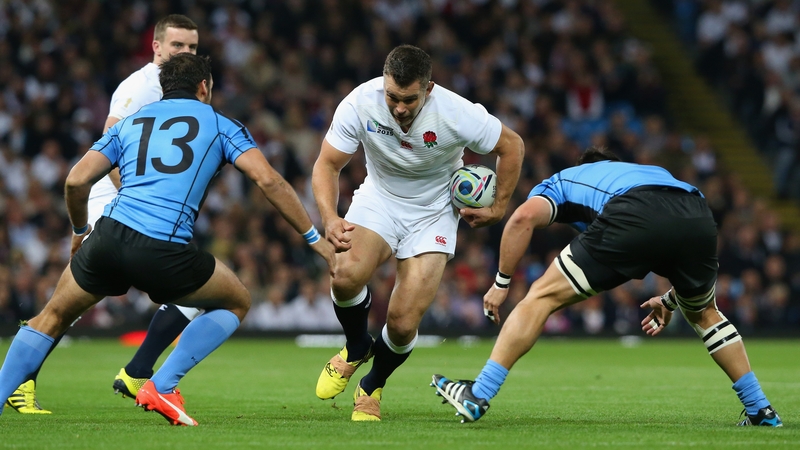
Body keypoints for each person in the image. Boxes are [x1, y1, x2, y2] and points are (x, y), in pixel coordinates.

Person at [0, 53, 336, 426]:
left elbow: (76, 181)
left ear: (164, 89)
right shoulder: (221, 124)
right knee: (236, 300)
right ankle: (161, 384)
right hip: (161, 248)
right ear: (204, 87)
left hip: (107, 238)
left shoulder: (130, 122)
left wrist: (80, 232)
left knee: (50, 316)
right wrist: (313, 237)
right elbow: (268, 180)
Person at [431, 146, 782, 427]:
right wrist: (670, 300)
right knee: (705, 313)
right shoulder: (650, 173)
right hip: (697, 212)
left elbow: (522, 217)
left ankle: (478, 393)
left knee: (540, 296)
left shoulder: (566, 179)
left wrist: (501, 282)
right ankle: (761, 410)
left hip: (634, 210)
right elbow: (669, 238)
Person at [312, 44, 524, 421]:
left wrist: (499, 207)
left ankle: (372, 385)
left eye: (409, 99)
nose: (399, 108)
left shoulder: (456, 112)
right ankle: (357, 345)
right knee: (344, 275)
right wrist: (329, 216)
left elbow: (512, 146)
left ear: (429, 88)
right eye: (392, 97)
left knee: (403, 322)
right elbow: (327, 164)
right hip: (379, 198)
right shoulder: (360, 102)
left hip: (435, 212)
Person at [4, 14, 203, 414]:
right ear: (156, 47)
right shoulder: (140, 87)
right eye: (178, 45)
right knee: (72, 301)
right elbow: (110, 145)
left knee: (194, 288)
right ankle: (23, 380)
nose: (186, 52)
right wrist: (138, 197)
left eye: (193, 47)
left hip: (138, 203)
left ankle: (136, 372)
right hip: (113, 199)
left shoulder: (182, 90)